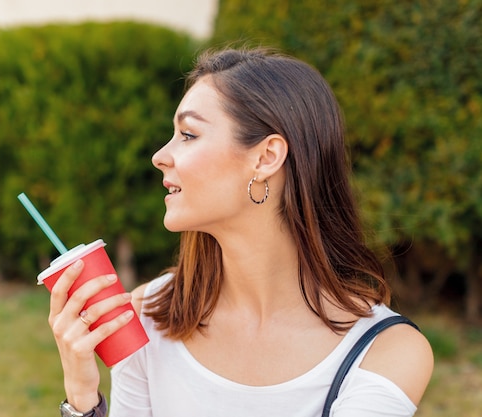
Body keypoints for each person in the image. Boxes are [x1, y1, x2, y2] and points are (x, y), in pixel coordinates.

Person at [47, 47, 434, 416]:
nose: (160, 156)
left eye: (189, 135)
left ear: (266, 158)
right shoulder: (148, 315)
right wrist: (82, 400)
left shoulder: (385, 350)